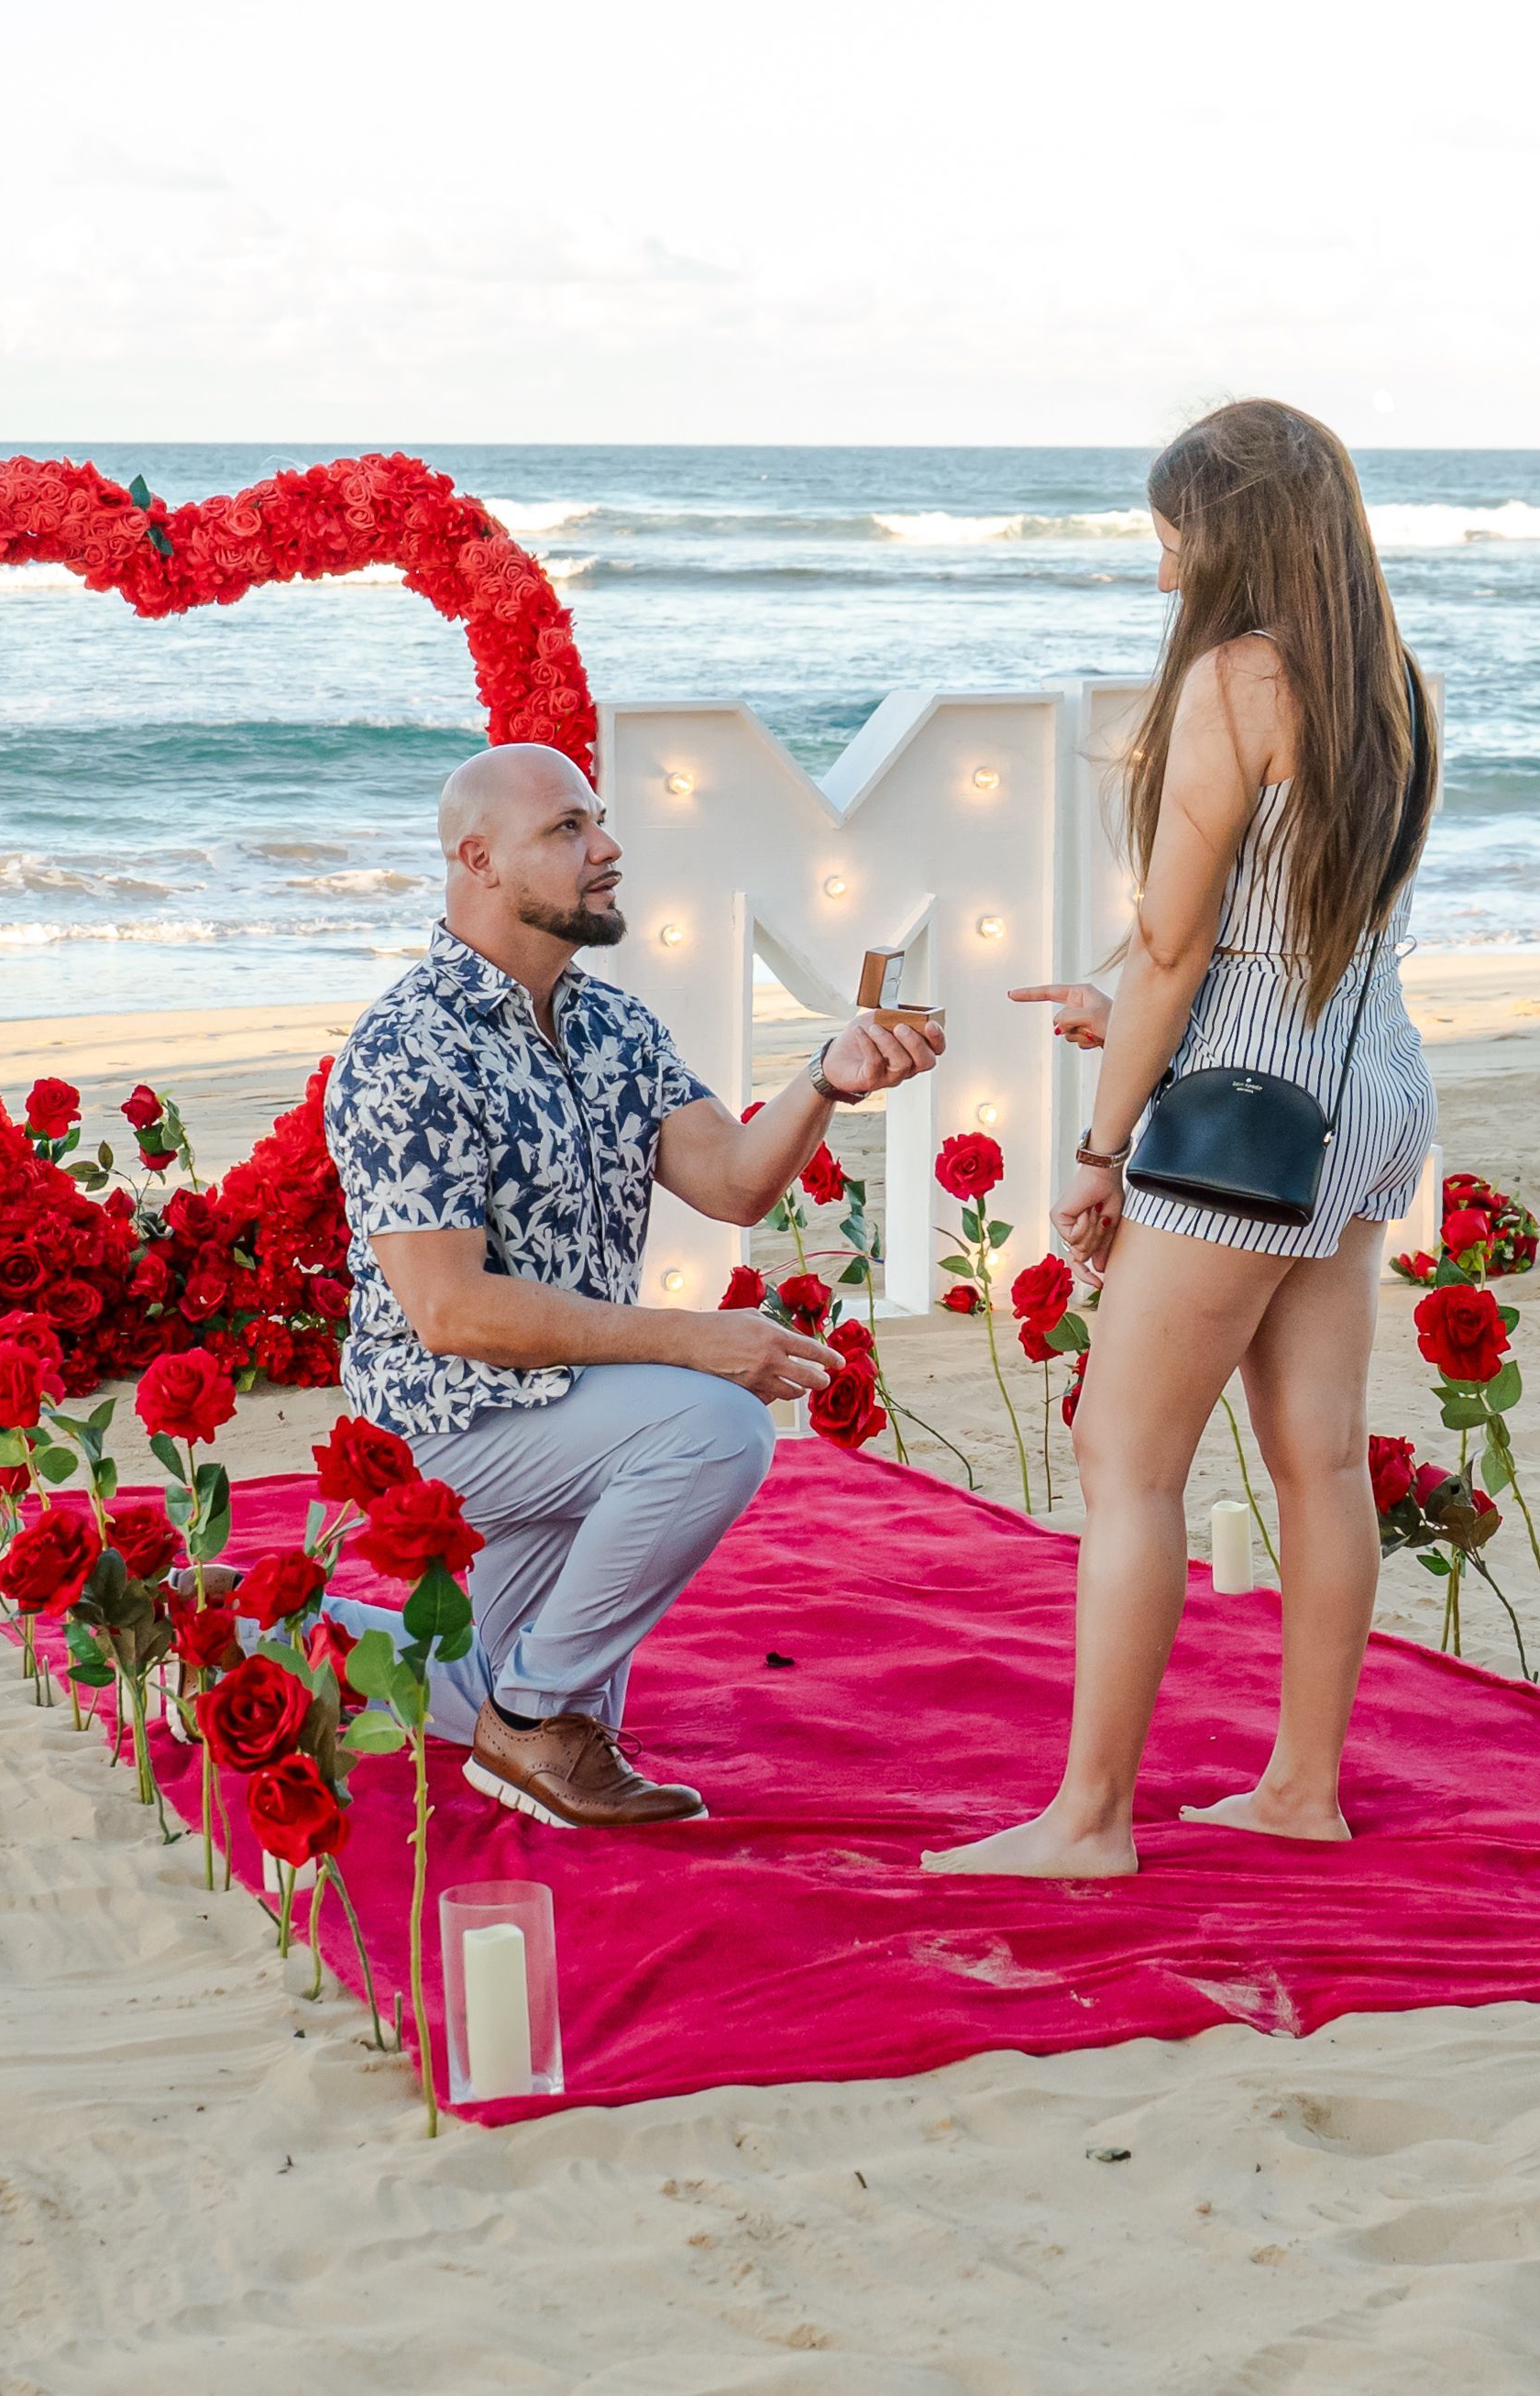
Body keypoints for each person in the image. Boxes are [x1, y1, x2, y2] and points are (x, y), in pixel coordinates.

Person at [923, 398, 1437, 1880]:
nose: (1158, 568)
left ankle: (1086, 1819)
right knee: (1317, 1456)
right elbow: (1285, 921)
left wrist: (1097, 1146)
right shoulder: (1386, 680)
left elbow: (1174, 943)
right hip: (1363, 1086)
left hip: (1243, 1108)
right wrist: (1135, 994)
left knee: (1120, 1455)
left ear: (1225, 532)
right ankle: (1299, 1788)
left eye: (1169, 535)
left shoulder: (1231, 682)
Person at [323, 742, 943, 1830]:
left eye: (598, 821)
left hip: (573, 1406)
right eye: (567, 829)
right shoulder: (405, 1048)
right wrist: (689, 1342)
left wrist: (824, 1080)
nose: (606, 849)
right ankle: (535, 1730)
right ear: (476, 859)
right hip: (448, 1424)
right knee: (713, 1425)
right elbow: (450, 1310)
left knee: (493, 1677)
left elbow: (735, 1184)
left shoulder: (610, 1023)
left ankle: (256, 1633)